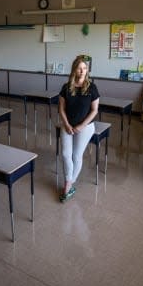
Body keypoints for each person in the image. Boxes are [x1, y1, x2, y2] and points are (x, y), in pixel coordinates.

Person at [58, 55, 99, 202]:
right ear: (74, 70)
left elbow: (95, 110)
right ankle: (70, 182)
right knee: (65, 154)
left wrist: (81, 126)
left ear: (87, 70)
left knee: (76, 155)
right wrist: (67, 125)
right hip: (67, 125)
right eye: (79, 68)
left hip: (85, 127)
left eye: (84, 68)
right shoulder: (66, 87)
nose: (82, 71)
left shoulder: (92, 88)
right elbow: (61, 109)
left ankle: (68, 183)